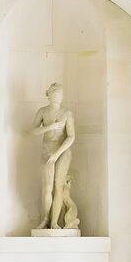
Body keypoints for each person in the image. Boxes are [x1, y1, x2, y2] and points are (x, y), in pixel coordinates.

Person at [29, 82, 76, 229]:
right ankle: (45, 219)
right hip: (47, 150)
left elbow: (71, 137)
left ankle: (55, 221)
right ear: (49, 95)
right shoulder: (43, 111)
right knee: (47, 187)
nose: (58, 96)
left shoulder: (67, 113)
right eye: (55, 93)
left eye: (60, 93)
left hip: (62, 151)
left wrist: (57, 153)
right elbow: (33, 131)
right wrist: (50, 126)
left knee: (59, 186)